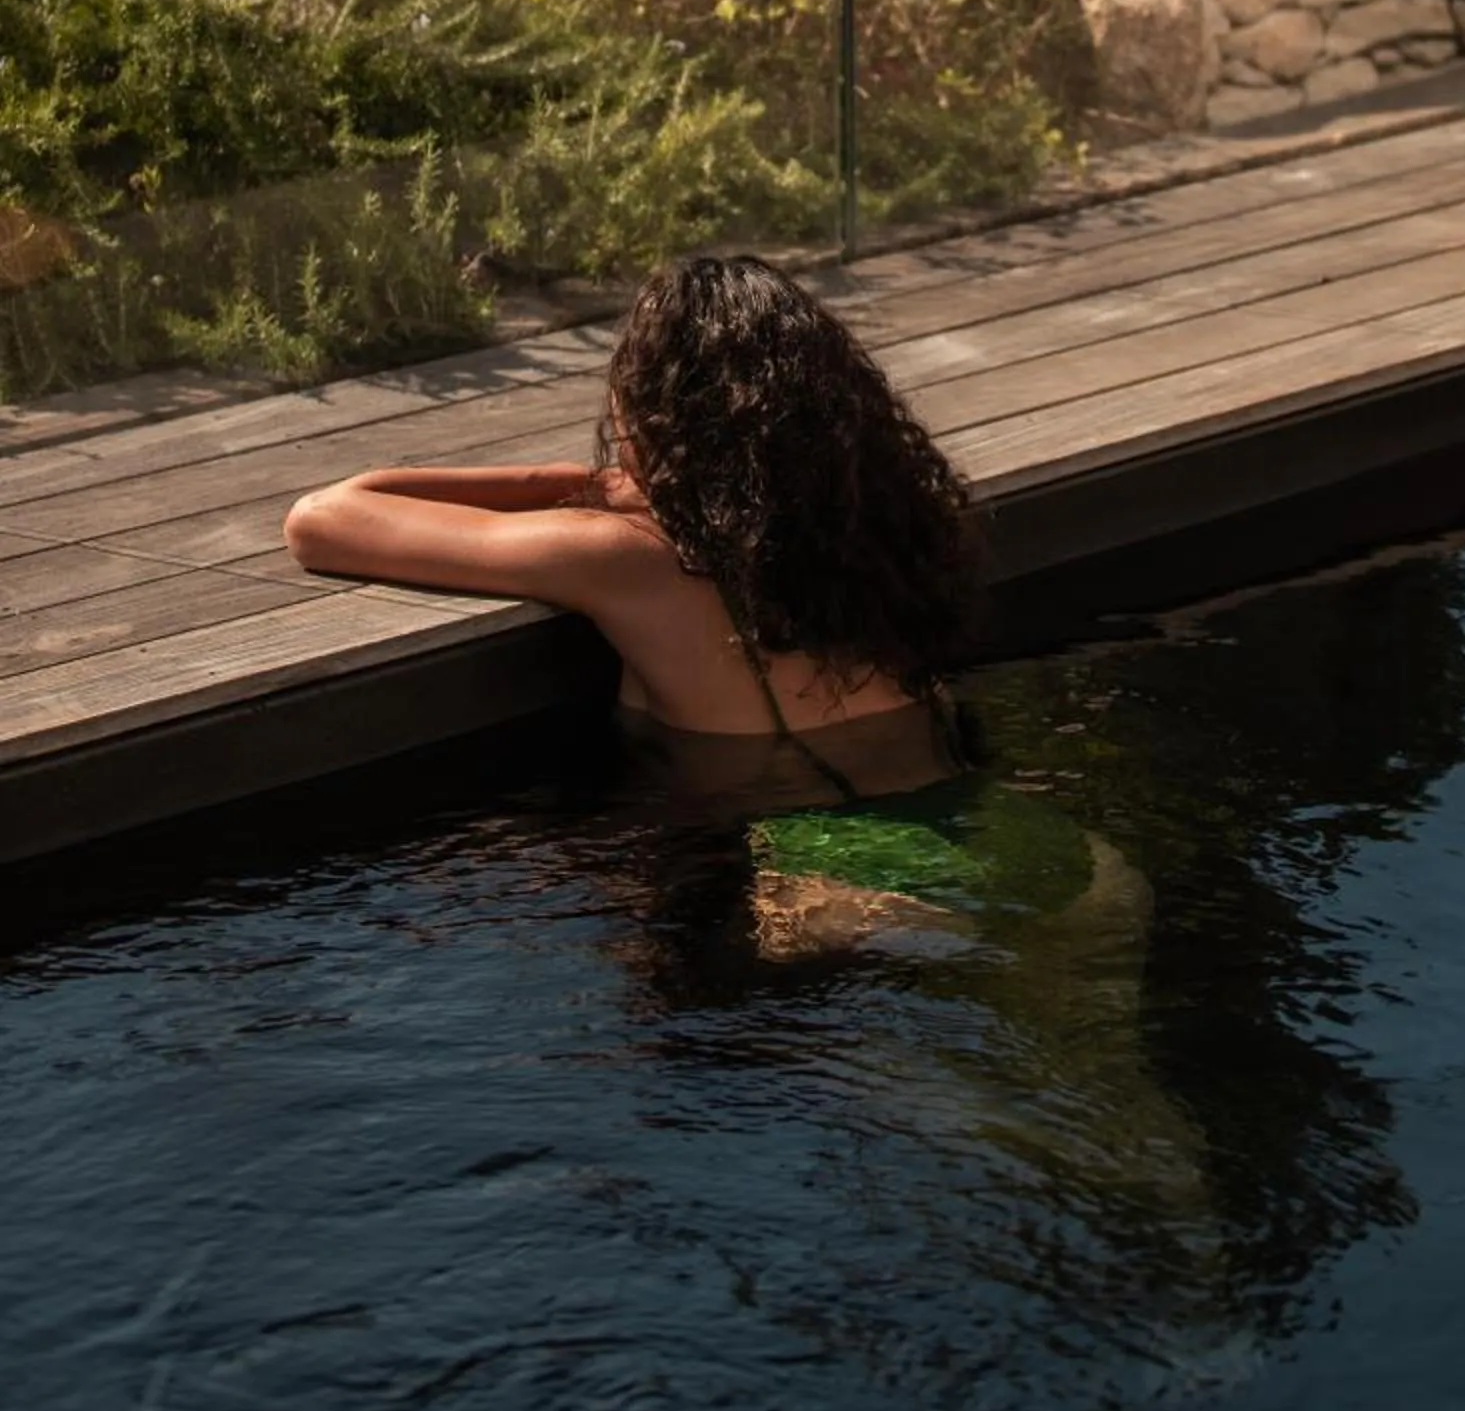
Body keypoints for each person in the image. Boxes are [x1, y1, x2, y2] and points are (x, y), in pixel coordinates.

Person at [284, 252, 1097, 952]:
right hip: (1028, 843)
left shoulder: (629, 561)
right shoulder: (892, 531)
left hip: (846, 888)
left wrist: (591, 483)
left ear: (658, 414)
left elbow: (323, 519)